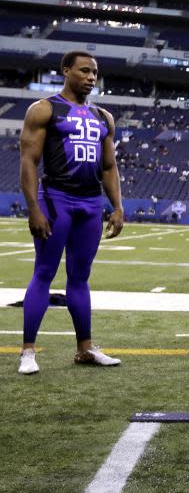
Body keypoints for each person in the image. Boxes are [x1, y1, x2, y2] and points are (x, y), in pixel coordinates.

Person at [17, 51, 125, 375]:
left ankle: (85, 349)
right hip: (56, 199)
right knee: (44, 272)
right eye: (84, 71)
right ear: (66, 71)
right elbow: (28, 162)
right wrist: (34, 208)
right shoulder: (44, 109)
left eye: (95, 72)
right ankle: (27, 352)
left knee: (80, 277)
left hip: (91, 205)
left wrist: (117, 206)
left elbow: (109, 166)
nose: (91, 77)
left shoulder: (103, 117)